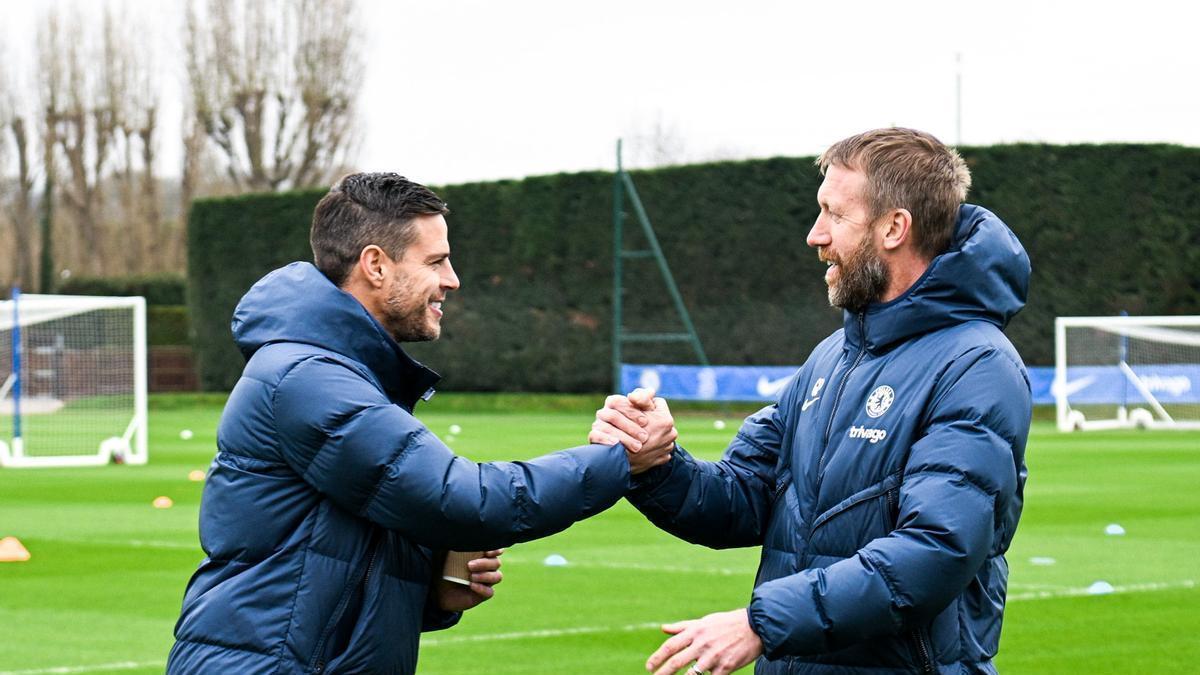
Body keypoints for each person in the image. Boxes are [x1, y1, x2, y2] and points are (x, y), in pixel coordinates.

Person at [167, 173, 674, 674]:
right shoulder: (309, 378)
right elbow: (463, 501)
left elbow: (331, 559)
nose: (452, 280)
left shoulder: (341, 373)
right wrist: (619, 459)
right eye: (436, 261)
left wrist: (435, 591)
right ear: (376, 266)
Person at [592, 128, 1032, 674]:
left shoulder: (975, 365)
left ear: (894, 227)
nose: (814, 234)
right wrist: (655, 464)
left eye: (834, 214)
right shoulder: (831, 356)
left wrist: (762, 623)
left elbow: (936, 550)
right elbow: (740, 500)